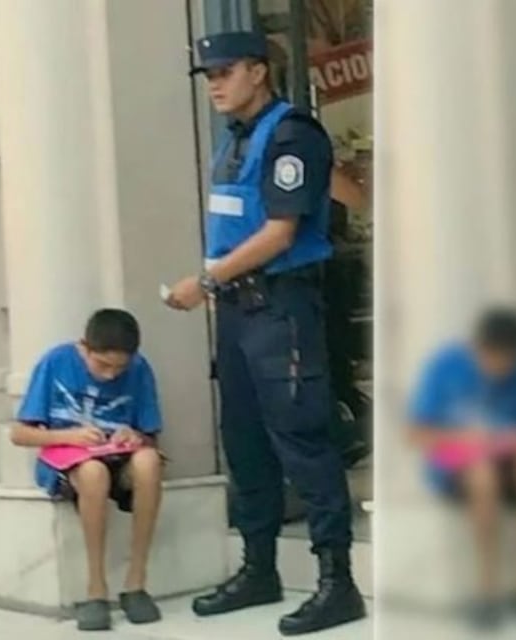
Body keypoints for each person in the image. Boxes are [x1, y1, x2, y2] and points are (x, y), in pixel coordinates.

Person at [166, 30, 365, 636]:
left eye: (226, 72)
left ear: (259, 71)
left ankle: (337, 582)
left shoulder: (291, 134)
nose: (216, 85)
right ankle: (259, 569)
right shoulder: (235, 140)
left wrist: (205, 278)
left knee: (302, 438)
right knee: (246, 441)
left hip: (281, 309)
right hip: (238, 312)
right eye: (209, 77)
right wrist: (219, 286)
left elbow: (282, 232)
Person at [10, 309, 164, 632]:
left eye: (119, 368)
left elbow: (150, 432)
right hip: (70, 458)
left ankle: (136, 582)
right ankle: (96, 588)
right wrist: (68, 435)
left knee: (149, 461)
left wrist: (134, 436)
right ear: (85, 347)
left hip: (117, 454)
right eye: (102, 365)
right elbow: (20, 434)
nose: (110, 375)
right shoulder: (55, 362)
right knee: (94, 473)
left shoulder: (139, 369)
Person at [407, 309, 516, 631]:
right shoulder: (446, 364)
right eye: (495, 358)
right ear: (478, 348)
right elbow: (416, 434)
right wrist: (465, 438)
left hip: (507, 455)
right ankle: (487, 591)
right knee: (481, 471)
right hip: (455, 457)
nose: (502, 368)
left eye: (510, 361)